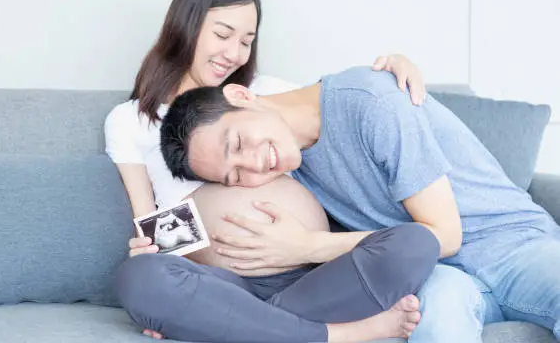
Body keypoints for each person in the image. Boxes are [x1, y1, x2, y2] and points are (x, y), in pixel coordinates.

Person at [106, 0, 436, 342]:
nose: (233, 53)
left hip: (313, 275)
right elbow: (149, 223)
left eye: (246, 41)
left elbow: (346, 105)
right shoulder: (131, 120)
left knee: (415, 244)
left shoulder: (261, 92)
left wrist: (390, 73)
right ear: (186, 25)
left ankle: (240, 327)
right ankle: (341, 335)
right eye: (222, 34)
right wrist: (155, 258)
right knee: (140, 278)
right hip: (225, 284)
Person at [160, 65, 560, 342]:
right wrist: (154, 249)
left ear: (242, 95)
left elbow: (446, 235)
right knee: (437, 322)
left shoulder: (371, 102)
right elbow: (196, 216)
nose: (252, 166)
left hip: (516, 245)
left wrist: (307, 247)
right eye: (233, 176)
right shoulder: (282, 168)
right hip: (436, 275)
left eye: (238, 144)